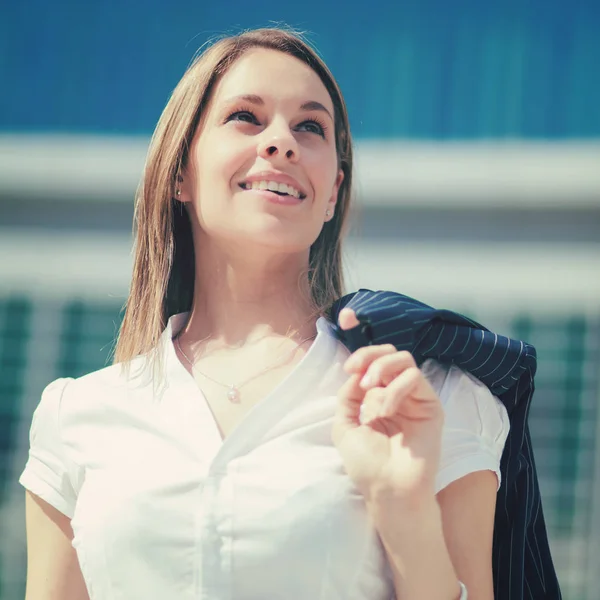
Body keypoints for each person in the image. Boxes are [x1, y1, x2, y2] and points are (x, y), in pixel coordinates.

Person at [19, 28, 512, 599]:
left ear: (332, 193)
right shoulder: (76, 415)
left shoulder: (430, 398)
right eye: (246, 118)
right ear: (181, 171)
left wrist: (401, 508)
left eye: (310, 127)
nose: (282, 142)